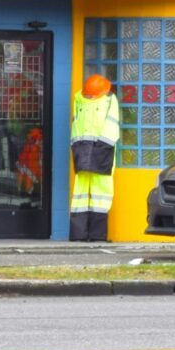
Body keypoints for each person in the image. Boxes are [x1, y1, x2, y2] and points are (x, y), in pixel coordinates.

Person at [70, 74, 121, 242]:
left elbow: (76, 125)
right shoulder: (108, 100)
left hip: (85, 148)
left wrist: (77, 147)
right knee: (100, 192)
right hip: (102, 148)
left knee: (82, 192)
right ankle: (95, 236)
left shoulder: (80, 99)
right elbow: (112, 126)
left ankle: (82, 235)